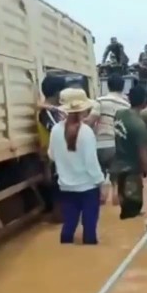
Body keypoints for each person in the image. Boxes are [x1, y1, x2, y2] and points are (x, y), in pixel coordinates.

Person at [47, 88, 104, 244]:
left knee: (68, 226)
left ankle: (65, 257)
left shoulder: (55, 130)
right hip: (88, 188)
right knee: (90, 229)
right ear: (83, 109)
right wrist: (102, 184)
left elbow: (51, 155)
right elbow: (92, 164)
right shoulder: (86, 132)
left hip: (66, 187)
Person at [110, 85, 147, 219]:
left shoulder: (119, 115)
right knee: (133, 215)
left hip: (117, 169)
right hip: (131, 173)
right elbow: (144, 156)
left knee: (125, 212)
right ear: (144, 101)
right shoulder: (139, 125)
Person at [84, 74, 130, 205]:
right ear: (122, 87)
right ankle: (116, 205)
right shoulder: (126, 105)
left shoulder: (100, 101)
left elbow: (91, 121)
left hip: (99, 146)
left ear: (108, 86)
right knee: (117, 182)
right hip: (117, 146)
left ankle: (101, 203)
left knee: (100, 179)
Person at [37, 75, 67, 222]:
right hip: (55, 159)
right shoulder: (47, 112)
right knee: (60, 202)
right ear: (57, 93)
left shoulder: (51, 110)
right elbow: (59, 132)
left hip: (56, 157)